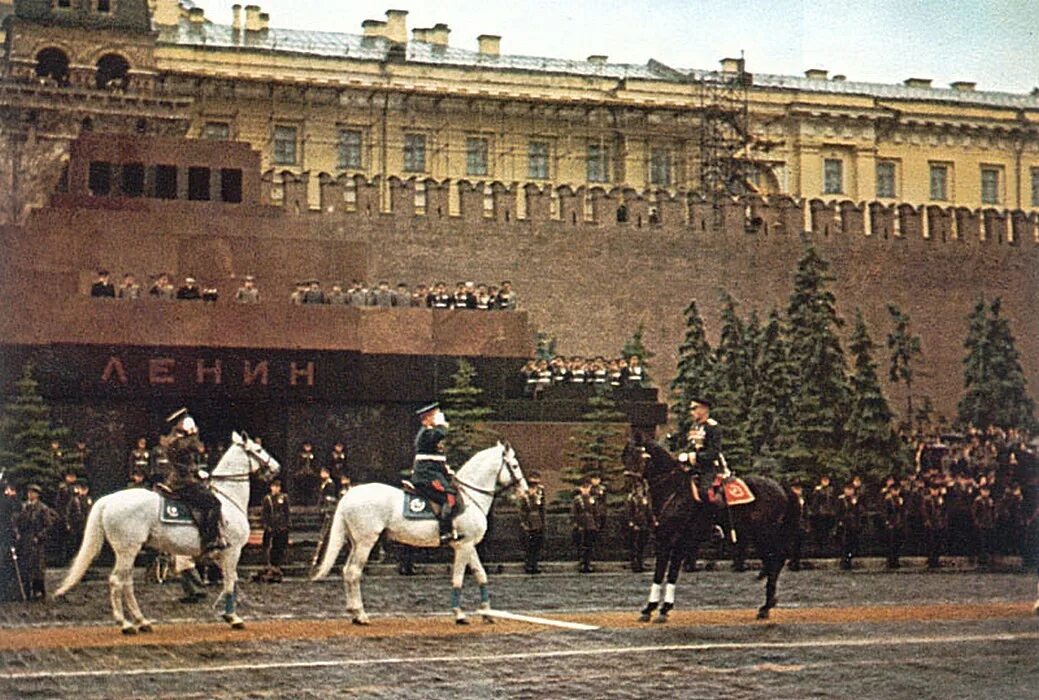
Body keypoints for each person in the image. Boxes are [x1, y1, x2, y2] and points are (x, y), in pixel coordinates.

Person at [160, 408, 226, 553]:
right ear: (180, 424)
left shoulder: (178, 439)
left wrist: (197, 471)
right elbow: (197, 449)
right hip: (182, 482)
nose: (190, 423)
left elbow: (188, 460)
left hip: (185, 478)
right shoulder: (177, 441)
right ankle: (209, 540)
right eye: (186, 421)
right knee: (214, 503)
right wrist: (193, 434)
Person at [409, 402, 460, 543]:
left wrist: (447, 471)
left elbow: (436, 459)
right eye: (434, 415)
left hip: (432, 473)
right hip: (426, 477)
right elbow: (439, 434)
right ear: (426, 418)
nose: (437, 417)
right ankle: (445, 532)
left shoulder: (430, 432)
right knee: (449, 496)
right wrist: (442, 425)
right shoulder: (426, 432)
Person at [14, 484, 57, 600]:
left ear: (37, 495)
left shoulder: (42, 508)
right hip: (25, 541)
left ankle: (39, 590)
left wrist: (39, 536)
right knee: (25, 567)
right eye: (29, 492)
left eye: (33, 493)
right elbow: (17, 522)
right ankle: (27, 590)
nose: (30, 495)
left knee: (37, 568)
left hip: (36, 542)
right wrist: (18, 533)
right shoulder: (24, 507)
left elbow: (48, 525)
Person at [259, 479, 291, 582]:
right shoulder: (267, 499)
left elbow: (287, 512)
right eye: (274, 486)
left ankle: (277, 565)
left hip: (281, 526)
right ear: (271, 487)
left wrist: (287, 524)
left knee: (280, 546)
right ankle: (270, 566)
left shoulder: (284, 497)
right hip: (271, 525)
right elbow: (264, 513)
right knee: (269, 546)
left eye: (278, 487)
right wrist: (266, 525)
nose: (276, 489)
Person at [518, 470, 546, 574]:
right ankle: (528, 564)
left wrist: (543, 522)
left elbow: (542, 507)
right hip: (528, 520)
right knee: (528, 545)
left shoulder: (541, 491)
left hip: (537, 520)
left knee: (537, 544)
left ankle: (535, 564)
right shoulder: (524, 492)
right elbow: (521, 509)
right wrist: (523, 523)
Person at [571, 479, 600, 573]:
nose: (586, 490)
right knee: (581, 544)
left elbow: (596, 512)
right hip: (581, 523)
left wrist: (596, 523)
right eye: (584, 488)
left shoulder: (592, 499)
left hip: (590, 524)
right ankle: (582, 563)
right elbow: (574, 513)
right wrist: (576, 523)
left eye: (587, 488)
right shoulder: (577, 499)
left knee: (589, 544)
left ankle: (588, 563)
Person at [626, 477, 653, 573]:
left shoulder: (645, 498)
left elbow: (648, 511)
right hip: (636, 523)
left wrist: (651, 522)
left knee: (642, 544)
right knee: (635, 545)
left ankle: (640, 562)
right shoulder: (632, 498)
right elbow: (629, 512)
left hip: (644, 523)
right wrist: (632, 523)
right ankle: (635, 563)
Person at [836, 482, 864, 570]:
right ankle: (844, 561)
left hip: (853, 524)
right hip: (844, 524)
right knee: (844, 544)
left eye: (851, 490)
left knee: (852, 544)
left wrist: (854, 504)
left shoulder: (855, 500)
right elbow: (838, 512)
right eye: (848, 489)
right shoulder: (841, 500)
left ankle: (849, 559)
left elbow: (859, 512)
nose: (849, 492)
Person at [0, 482, 20, 601]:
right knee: (6, 565)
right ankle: (7, 592)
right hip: (6, 536)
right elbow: (11, 520)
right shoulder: (7, 502)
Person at [882, 480, 907, 569]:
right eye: (894, 490)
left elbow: (903, 511)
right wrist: (887, 522)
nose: (896, 492)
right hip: (892, 523)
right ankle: (890, 561)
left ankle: (896, 560)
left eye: (897, 490)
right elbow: (885, 512)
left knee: (898, 542)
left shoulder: (900, 499)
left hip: (899, 523)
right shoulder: (888, 500)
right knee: (891, 543)